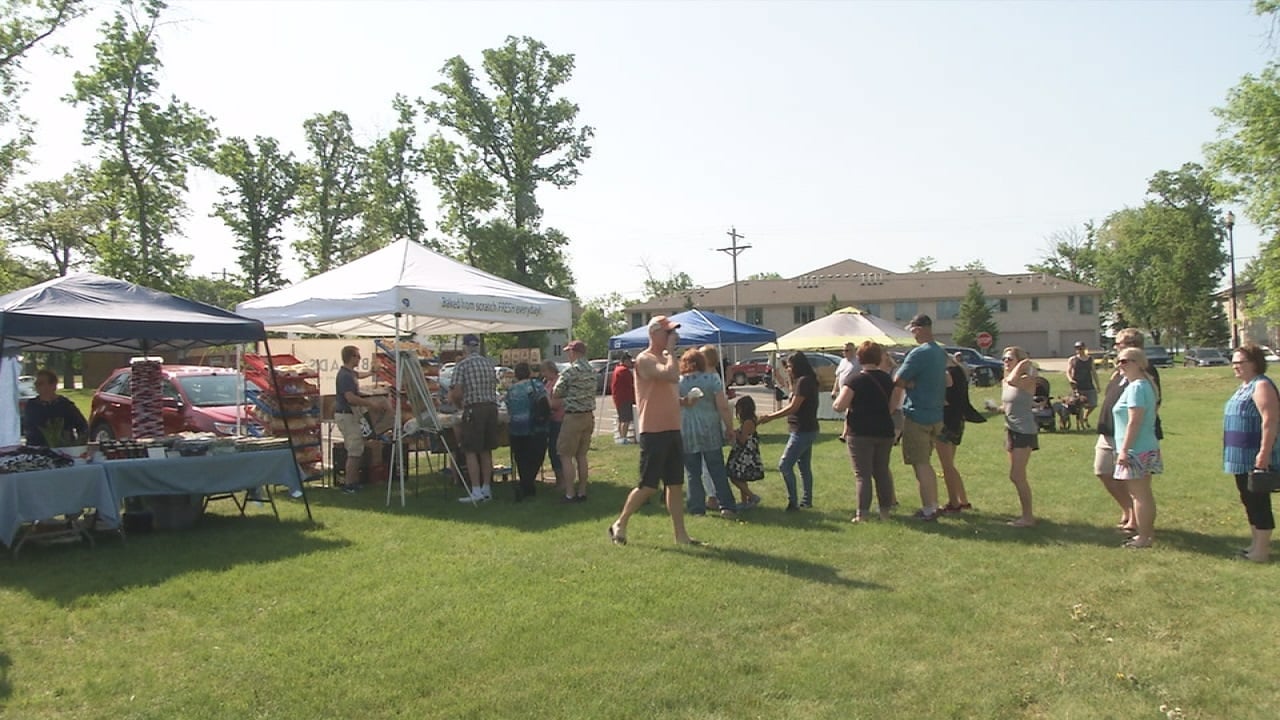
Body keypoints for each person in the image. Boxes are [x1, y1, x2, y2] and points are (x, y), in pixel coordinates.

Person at [609, 315, 700, 545]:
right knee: (648, 486)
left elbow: (667, 388)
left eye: (673, 332)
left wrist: (682, 401)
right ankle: (620, 522)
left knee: (675, 484)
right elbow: (670, 375)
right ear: (654, 334)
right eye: (668, 332)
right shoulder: (645, 359)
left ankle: (681, 535)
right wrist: (671, 352)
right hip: (654, 431)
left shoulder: (666, 358)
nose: (673, 336)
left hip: (672, 428)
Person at [1094, 329, 1163, 533]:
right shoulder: (1123, 373)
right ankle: (1131, 513)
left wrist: (1126, 446)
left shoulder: (1144, 375)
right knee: (1103, 471)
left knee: (1138, 489)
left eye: (1119, 344)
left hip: (1132, 439)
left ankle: (1140, 526)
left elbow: (1143, 411)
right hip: (1111, 432)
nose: (1116, 350)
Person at [1223, 343, 1277, 563]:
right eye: (1233, 362)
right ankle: (1255, 545)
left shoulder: (1262, 385)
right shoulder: (1246, 385)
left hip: (1254, 455)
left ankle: (1262, 551)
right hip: (1239, 457)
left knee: (1258, 501)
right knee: (1248, 499)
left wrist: (1263, 453)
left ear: (1255, 363)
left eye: (1240, 362)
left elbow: (1270, 420)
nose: (1235, 366)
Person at [832, 341, 896, 522]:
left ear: (859, 358)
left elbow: (839, 405)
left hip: (860, 432)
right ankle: (885, 513)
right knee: (882, 472)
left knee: (863, 475)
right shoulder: (887, 379)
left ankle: (862, 514)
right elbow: (892, 407)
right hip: (884, 430)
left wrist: (838, 400)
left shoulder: (855, 380)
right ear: (878, 358)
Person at [893, 314, 948, 521]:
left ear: (921, 328)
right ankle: (933, 504)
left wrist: (909, 383)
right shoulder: (939, 352)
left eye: (914, 330)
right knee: (927, 462)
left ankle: (928, 509)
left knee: (920, 464)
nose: (912, 334)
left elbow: (898, 380)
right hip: (936, 415)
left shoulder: (918, 353)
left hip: (918, 415)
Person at [677, 348, 737, 519]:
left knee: (692, 473)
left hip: (688, 430)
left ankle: (696, 508)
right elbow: (723, 407)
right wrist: (729, 428)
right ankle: (726, 506)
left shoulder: (679, 382)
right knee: (717, 469)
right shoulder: (712, 379)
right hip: (709, 429)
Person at [1112, 346, 1161, 548]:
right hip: (1143, 446)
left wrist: (1124, 450)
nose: (1119, 365)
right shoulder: (1140, 386)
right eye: (1118, 361)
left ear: (1138, 364)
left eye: (1125, 361)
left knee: (1139, 495)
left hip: (1136, 449)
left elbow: (1135, 421)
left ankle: (1143, 537)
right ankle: (1145, 535)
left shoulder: (1137, 388)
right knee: (1142, 494)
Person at [759, 351, 819, 511]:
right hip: (806, 428)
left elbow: (793, 407)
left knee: (784, 465)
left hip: (802, 430)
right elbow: (791, 395)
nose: (788, 369)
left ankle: (793, 502)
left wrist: (770, 417)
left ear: (798, 366)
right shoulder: (804, 381)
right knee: (804, 466)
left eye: (790, 367)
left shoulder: (805, 382)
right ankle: (806, 501)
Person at [450, 334, 500, 503]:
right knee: (486, 450)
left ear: (465, 347)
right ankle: (487, 488)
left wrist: (459, 405)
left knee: (470, 450)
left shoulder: (462, 365)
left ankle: (476, 490)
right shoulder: (489, 364)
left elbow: (456, 392)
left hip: (474, 409)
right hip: (491, 408)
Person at [334, 346, 389, 494]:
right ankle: (349, 485)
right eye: (357, 356)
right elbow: (350, 397)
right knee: (354, 450)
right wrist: (371, 404)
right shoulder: (345, 376)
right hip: (347, 415)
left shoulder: (350, 373)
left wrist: (372, 372)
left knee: (357, 448)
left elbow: (358, 376)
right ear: (351, 357)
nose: (359, 359)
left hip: (350, 415)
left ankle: (354, 482)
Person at [937, 352, 983, 513]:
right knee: (950, 465)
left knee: (947, 465)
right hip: (958, 420)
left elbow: (942, 397)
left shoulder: (947, 374)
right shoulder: (960, 371)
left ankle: (953, 502)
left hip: (947, 421)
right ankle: (962, 500)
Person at [553, 339, 597, 503]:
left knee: (565, 455)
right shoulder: (592, 370)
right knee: (582, 455)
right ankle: (582, 491)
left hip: (573, 416)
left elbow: (557, 392)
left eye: (568, 352)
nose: (568, 355)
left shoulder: (570, 371)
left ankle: (570, 493)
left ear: (574, 352)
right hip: (588, 416)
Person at [1000, 346, 1039, 527]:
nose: (1005, 362)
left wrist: (1023, 365)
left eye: (1009, 359)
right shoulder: (1005, 380)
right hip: (1011, 430)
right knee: (1015, 476)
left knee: (1017, 475)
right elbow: (1008, 404)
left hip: (1024, 431)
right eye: (1004, 359)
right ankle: (1025, 515)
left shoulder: (1027, 379)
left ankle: (1028, 518)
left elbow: (1013, 381)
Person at [506, 362, 550, 501]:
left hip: (517, 428)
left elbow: (508, 407)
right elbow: (546, 403)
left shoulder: (511, 390)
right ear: (529, 372)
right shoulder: (536, 385)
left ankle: (525, 484)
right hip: (535, 427)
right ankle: (528, 483)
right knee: (536, 457)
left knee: (521, 458)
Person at [23, 369, 88, 447]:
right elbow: (28, 429)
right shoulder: (32, 405)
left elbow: (82, 427)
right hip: (38, 450)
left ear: (53, 385)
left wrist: (78, 445)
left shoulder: (65, 405)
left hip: (64, 450)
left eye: (40, 383)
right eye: (36, 384)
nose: (37, 386)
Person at [726, 395, 764, 509]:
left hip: (745, 454)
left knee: (735, 477)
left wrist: (735, 433)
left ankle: (752, 496)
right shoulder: (750, 420)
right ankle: (744, 502)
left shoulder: (748, 422)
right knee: (741, 477)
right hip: (744, 452)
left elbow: (743, 439)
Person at [540, 360, 565, 484]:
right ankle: (559, 479)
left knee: (557, 451)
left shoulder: (559, 382)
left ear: (551, 370)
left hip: (559, 420)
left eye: (544, 371)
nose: (543, 374)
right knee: (552, 451)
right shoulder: (548, 382)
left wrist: (544, 400)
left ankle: (562, 480)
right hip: (551, 420)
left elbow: (556, 404)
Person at [833, 342, 862, 442]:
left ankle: (845, 434)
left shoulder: (859, 362)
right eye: (844, 350)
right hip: (843, 391)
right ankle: (846, 433)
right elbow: (838, 377)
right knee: (847, 412)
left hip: (854, 391)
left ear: (854, 350)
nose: (845, 352)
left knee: (849, 412)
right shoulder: (842, 362)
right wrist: (834, 390)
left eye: (847, 350)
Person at [1067, 341, 1100, 426]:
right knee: (1079, 406)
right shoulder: (1073, 359)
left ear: (1084, 348)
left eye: (1081, 348)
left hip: (1089, 384)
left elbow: (1094, 372)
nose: (1079, 350)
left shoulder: (1090, 359)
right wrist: (1070, 379)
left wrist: (1098, 385)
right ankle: (1081, 425)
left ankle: (1086, 416)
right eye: (1077, 348)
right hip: (1077, 386)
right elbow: (1068, 371)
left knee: (1093, 404)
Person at [610, 353, 636, 443]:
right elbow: (631, 384)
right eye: (629, 361)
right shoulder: (624, 371)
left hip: (619, 398)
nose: (631, 363)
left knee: (622, 419)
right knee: (626, 419)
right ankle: (623, 438)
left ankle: (621, 437)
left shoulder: (617, 369)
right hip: (625, 397)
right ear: (625, 361)